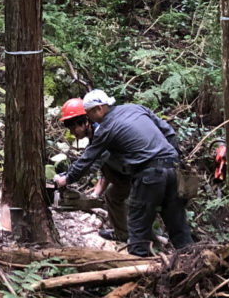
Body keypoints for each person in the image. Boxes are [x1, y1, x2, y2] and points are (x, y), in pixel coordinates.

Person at [54, 89, 193, 257]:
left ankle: (142, 274)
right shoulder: (136, 108)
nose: (89, 118)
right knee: (177, 225)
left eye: (89, 114)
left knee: (138, 229)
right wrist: (174, 159)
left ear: (99, 109)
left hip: (148, 174)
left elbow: (88, 161)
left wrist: (67, 178)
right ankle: (191, 262)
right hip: (172, 169)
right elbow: (169, 132)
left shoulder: (106, 128)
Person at [58, 98, 131, 243]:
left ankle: (143, 244)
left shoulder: (102, 133)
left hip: (136, 173)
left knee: (132, 205)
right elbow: (105, 167)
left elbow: (91, 164)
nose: (72, 133)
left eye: (73, 128)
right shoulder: (95, 135)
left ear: (85, 121)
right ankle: (122, 234)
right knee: (112, 194)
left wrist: (67, 178)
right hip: (124, 174)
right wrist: (96, 193)